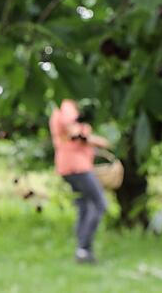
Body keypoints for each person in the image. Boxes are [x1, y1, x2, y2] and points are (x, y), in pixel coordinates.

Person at [49, 99, 110, 264]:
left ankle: (83, 250)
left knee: (83, 206)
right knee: (99, 203)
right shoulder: (66, 105)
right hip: (77, 167)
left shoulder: (63, 107)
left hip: (68, 165)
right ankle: (83, 248)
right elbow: (75, 133)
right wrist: (96, 140)